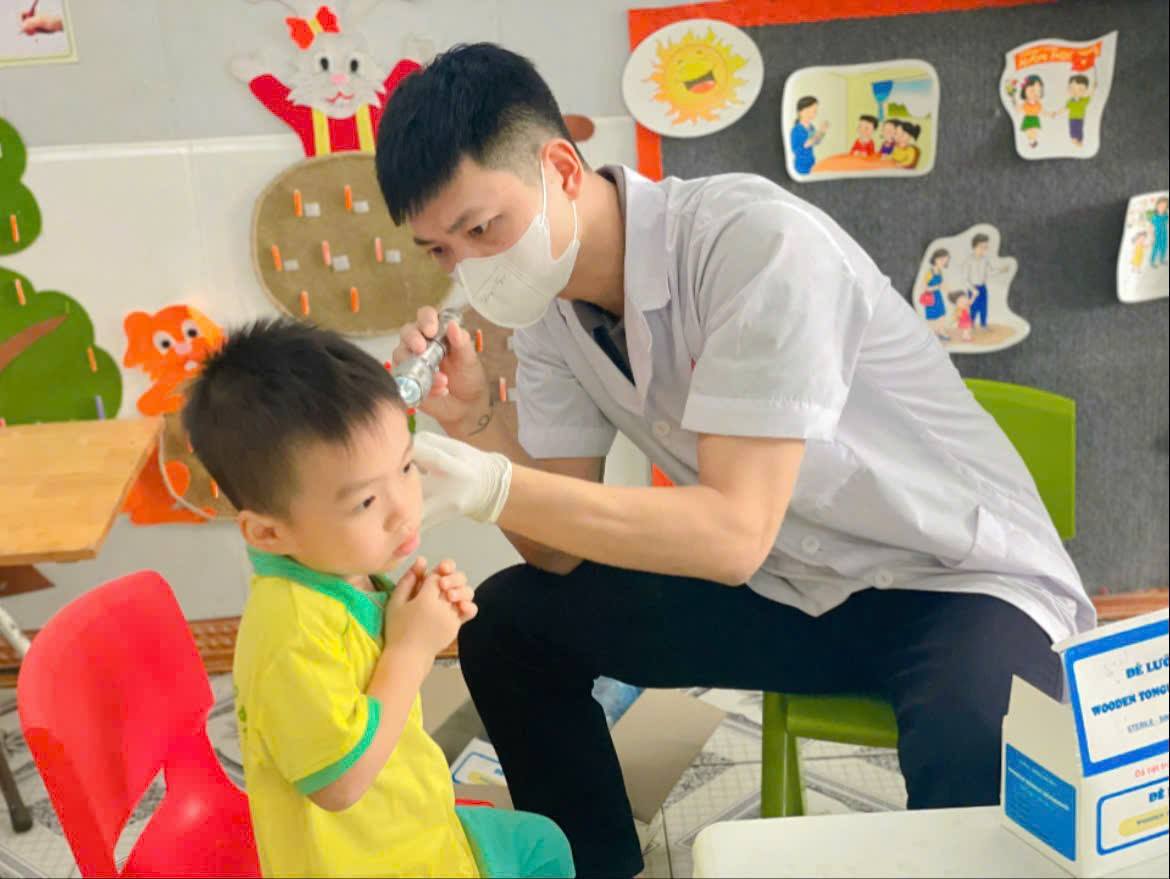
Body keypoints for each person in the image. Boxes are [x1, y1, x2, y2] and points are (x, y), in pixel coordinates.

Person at [375, 43, 1092, 879]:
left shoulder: (753, 242)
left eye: (480, 229)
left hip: (950, 581)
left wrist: (494, 483)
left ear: (562, 170)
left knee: (976, 743)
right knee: (507, 624)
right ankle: (593, 866)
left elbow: (731, 534)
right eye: (441, 251)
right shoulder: (551, 316)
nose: (472, 268)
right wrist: (476, 422)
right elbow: (559, 550)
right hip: (790, 583)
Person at [181, 319, 574, 879]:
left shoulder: (339, 571)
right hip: (375, 861)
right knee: (541, 850)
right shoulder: (290, 633)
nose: (403, 509)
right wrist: (412, 649)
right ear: (268, 532)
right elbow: (339, 784)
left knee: (542, 843)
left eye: (406, 468)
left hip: (414, 826)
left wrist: (414, 615)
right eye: (366, 502)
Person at [1048, 74, 1092, 146]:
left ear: (1085, 90)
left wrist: (1093, 88)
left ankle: (1079, 142)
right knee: (1073, 133)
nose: (1076, 92)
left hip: (1080, 119)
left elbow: (1090, 94)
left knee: (1079, 131)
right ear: (1069, 88)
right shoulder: (1070, 102)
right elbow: (1064, 108)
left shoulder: (1084, 100)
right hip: (1072, 119)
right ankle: (1075, 141)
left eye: (1080, 89)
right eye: (1072, 89)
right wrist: (1056, 113)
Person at [789, 95, 828, 175]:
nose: (811, 114)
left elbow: (816, 141)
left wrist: (822, 133)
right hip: (801, 165)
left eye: (814, 111)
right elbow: (808, 143)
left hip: (811, 162)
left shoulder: (811, 127)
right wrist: (820, 132)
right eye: (808, 111)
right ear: (800, 112)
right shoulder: (797, 130)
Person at [920, 248, 950, 340]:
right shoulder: (929, 273)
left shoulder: (940, 271)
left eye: (945, 261)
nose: (943, 263)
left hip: (938, 296)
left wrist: (947, 290)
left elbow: (942, 284)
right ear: (935, 259)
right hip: (930, 298)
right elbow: (924, 288)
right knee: (932, 317)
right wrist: (937, 287)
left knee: (942, 314)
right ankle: (931, 334)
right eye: (941, 260)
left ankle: (940, 331)